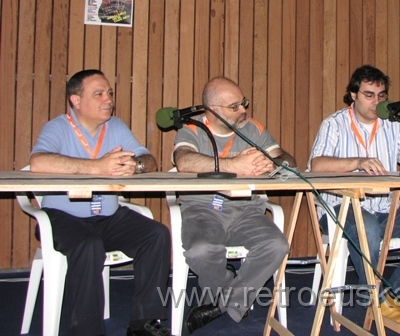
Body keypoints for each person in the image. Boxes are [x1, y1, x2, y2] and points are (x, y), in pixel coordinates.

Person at [29, 69, 171, 336]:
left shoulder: (115, 126)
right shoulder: (57, 127)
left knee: (156, 235)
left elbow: (149, 160)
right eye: (99, 94)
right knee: (88, 244)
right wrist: (97, 167)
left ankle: (143, 323)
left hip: (108, 218)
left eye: (109, 93)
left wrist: (136, 166)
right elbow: (38, 162)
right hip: (62, 217)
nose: (108, 99)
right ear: (76, 100)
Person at [308, 65, 400, 325]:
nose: (376, 102)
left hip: (385, 207)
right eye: (369, 95)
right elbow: (317, 165)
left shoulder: (394, 125)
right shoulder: (334, 124)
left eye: (381, 96)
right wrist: (358, 162)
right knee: (366, 227)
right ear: (353, 95)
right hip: (340, 207)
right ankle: (376, 298)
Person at [172, 76, 296, 334]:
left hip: (246, 211)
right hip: (202, 210)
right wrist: (234, 166)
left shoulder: (253, 129)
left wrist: (275, 164)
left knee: (277, 245)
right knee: (201, 251)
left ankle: (224, 303)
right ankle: (233, 291)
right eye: (235, 106)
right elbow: (184, 161)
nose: (243, 110)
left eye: (243, 103)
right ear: (213, 110)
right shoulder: (192, 129)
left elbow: (288, 160)